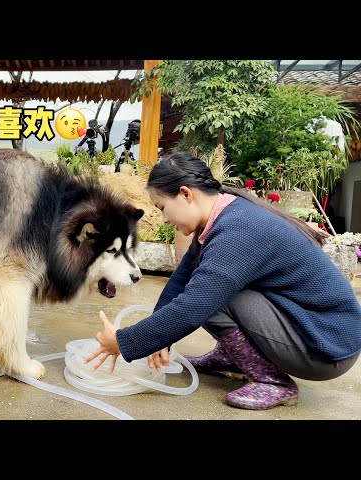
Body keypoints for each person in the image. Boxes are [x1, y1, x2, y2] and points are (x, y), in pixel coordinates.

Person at [84, 152, 361, 410]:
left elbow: (193, 306)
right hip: (308, 327)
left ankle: (273, 381)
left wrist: (124, 342)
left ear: (185, 194)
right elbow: (181, 280)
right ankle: (236, 358)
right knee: (207, 287)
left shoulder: (237, 231)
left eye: (163, 207)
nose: (165, 218)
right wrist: (160, 340)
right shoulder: (224, 215)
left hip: (327, 346)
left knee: (213, 297)